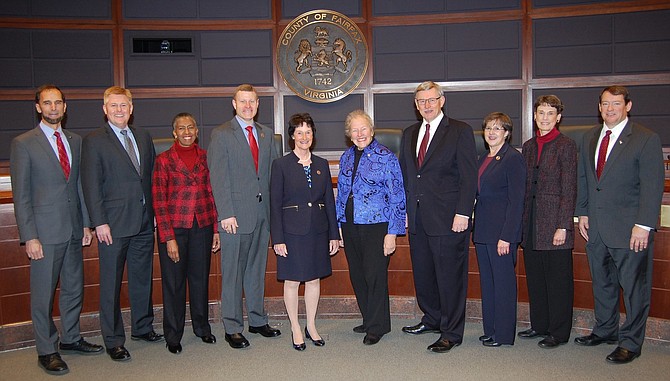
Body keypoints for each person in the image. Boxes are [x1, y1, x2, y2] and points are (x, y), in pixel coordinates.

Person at [10, 85, 103, 375]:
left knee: (74, 289)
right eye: (47, 103)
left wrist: (86, 223)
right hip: (44, 234)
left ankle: (71, 338)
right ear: (38, 107)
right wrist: (30, 236)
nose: (53, 108)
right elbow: (21, 194)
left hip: (74, 229)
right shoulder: (24, 143)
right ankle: (47, 349)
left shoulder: (75, 141)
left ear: (65, 107)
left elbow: (79, 185)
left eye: (58, 103)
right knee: (43, 294)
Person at [575, 86, 664, 364]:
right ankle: (605, 330)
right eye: (605, 104)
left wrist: (644, 225)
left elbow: (652, 186)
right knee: (602, 284)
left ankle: (631, 342)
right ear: (599, 107)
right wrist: (583, 213)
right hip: (597, 228)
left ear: (628, 105)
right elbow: (585, 179)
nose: (609, 108)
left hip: (630, 230)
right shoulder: (590, 136)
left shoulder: (645, 139)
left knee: (635, 288)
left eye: (615, 103)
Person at [81, 86, 162, 362]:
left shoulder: (143, 136)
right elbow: (90, 185)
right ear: (105, 109)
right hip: (112, 226)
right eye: (113, 106)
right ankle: (114, 339)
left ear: (131, 108)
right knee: (111, 283)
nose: (119, 110)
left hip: (142, 222)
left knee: (142, 279)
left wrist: (153, 217)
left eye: (123, 106)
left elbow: (149, 179)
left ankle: (142, 327)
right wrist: (98, 222)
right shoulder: (94, 140)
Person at [399, 81, 478, 353]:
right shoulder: (409, 133)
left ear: (442, 101)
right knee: (424, 275)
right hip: (418, 219)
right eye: (421, 101)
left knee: (450, 278)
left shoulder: (459, 131)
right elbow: (408, 177)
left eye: (432, 99)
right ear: (416, 105)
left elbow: (469, 177)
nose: (427, 105)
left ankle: (451, 332)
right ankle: (432, 318)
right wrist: (406, 213)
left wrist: (463, 212)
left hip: (449, 218)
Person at [208, 84, 281, 349]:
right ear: (234, 104)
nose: (248, 106)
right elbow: (218, 177)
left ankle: (258, 320)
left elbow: (273, 176)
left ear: (258, 105)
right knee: (232, 272)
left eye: (252, 101)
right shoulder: (221, 134)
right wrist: (225, 213)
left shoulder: (266, 134)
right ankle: (232, 326)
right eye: (243, 101)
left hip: (262, 215)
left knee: (256, 270)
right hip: (235, 217)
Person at [336, 110, 406, 346]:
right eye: (354, 130)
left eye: (363, 128)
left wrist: (392, 233)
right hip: (350, 224)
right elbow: (342, 194)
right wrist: (338, 226)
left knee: (374, 275)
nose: (359, 134)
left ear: (372, 130)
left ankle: (377, 327)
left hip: (377, 225)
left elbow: (398, 196)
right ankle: (370, 319)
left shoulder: (387, 157)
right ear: (349, 134)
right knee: (358, 275)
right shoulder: (346, 157)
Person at [270, 113, 339, 351]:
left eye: (308, 132)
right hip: (291, 233)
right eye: (299, 132)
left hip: (318, 231)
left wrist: (334, 234)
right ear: (292, 137)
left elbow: (329, 202)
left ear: (313, 135)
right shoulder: (280, 165)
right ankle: (295, 327)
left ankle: (310, 325)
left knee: (313, 279)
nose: (304, 136)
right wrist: (277, 238)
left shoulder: (321, 164)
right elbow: (275, 205)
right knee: (291, 281)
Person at [152, 113, 220, 354]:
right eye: (182, 128)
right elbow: (159, 201)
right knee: (174, 284)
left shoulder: (206, 157)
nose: (187, 131)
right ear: (174, 133)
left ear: (197, 131)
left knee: (200, 281)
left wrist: (215, 229)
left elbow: (212, 194)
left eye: (191, 127)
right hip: (175, 230)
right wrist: (168, 237)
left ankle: (202, 328)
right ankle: (173, 334)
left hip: (201, 226)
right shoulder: (163, 160)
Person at [519, 95, 577, 349]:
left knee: (558, 281)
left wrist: (563, 225)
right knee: (536, 277)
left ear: (558, 117)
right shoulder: (529, 145)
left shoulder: (566, 145)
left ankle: (559, 331)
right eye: (541, 113)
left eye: (550, 114)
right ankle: (540, 325)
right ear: (535, 116)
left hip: (554, 222)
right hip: (531, 221)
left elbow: (569, 188)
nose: (544, 118)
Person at [473, 112, 526, 347]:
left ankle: (503, 334)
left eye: (497, 128)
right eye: (488, 128)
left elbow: (517, 202)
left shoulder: (512, 159)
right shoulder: (483, 158)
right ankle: (491, 329)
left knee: (503, 284)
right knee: (488, 283)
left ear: (506, 133)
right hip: (483, 232)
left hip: (502, 235)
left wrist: (508, 236)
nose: (491, 133)